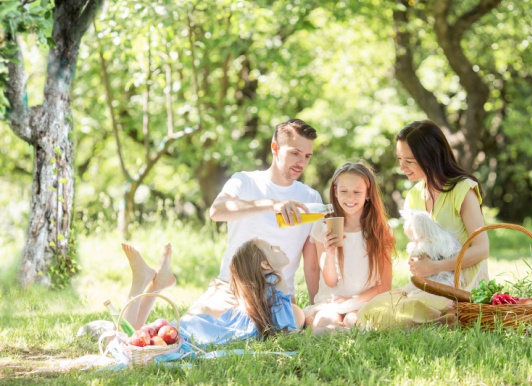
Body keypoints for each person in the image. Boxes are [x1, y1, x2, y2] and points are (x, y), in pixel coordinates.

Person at [357, 119, 490, 329]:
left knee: (398, 314)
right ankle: (440, 318)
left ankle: (457, 316)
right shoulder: (415, 195)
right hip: (429, 285)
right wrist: (418, 263)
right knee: (370, 310)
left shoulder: (463, 189)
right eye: (400, 159)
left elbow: (482, 249)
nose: (402, 167)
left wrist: (434, 267)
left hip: (460, 287)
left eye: (409, 160)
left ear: (430, 156)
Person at [184, 119, 322, 319]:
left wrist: (314, 307)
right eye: (295, 153)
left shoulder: (311, 198)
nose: (301, 162)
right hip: (232, 290)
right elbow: (217, 210)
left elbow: (311, 264)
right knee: (188, 326)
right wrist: (271, 204)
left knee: (294, 319)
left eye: (307, 156)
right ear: (275, 148)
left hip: (278, 298)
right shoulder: (245, 181)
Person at [119, 239, 303, 347]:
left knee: (134, 339)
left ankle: (153, 283)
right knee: (128, 341)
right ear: (265, 265)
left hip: (200, 328)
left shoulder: (266, 292)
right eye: (271, 248)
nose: (277, 246)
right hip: (201, 331)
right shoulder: (275, 289)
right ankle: (142, 282)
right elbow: (286, 329)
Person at [304, 161, 395, 332]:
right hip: (333, 300)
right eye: (344, 191)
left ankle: (346, 326)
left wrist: (355, 299)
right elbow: (330, 281)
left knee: (356, 322)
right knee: (323, 328)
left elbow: (385, 285)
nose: (350, 197)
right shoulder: (323, 228)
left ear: (368, 194)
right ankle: (330, 324)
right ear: (335, 193)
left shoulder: (380, 231)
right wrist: (329, 254)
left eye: (357, 192)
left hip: (365, 299)